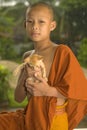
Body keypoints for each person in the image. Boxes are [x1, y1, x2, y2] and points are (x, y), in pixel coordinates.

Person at [0, 1, 87, 130]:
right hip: (31, 117)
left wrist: (46, 90)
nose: (35, 26)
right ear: (25, 25)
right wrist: (25, 74)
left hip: (54, 120)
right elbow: (18, 98)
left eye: (41, 22)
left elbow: (79, 91)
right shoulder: (27, 56)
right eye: (30, 21)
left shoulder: (62, 52)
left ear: (52, 25)